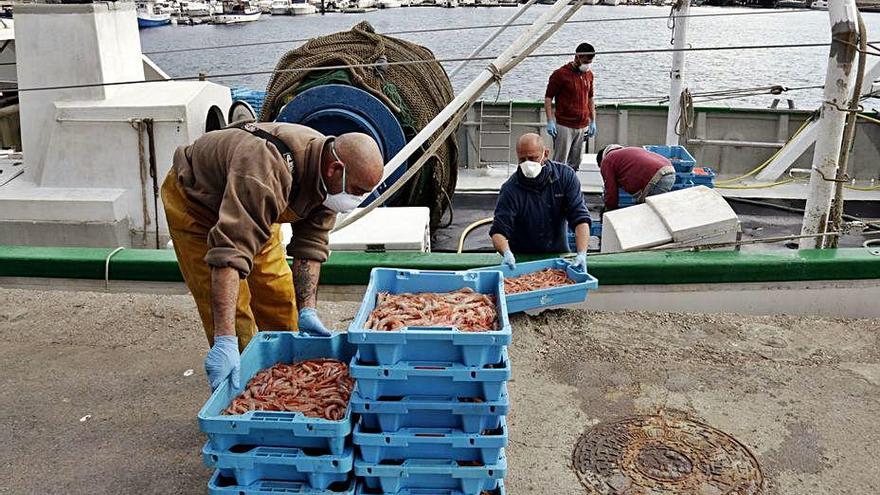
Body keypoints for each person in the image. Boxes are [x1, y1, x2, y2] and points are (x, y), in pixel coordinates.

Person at [161, 121, 383, 391]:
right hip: (198, 203)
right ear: (335, 169)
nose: (356, 199)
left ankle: (287, 380)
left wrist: (307, 309)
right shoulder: (265, 171)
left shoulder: (329, 176)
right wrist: (224, 340)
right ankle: (245, 386)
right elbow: (230, 254)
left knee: (277, 292)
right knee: (236, 311)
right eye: (358, 191)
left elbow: (310, 245)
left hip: (253, 206)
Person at [489, 133, 591, 272]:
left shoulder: (566, 177)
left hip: (558, 254)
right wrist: (507, 253)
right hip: (521, 258)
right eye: (522, 160)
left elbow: (580, 218)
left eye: (533, 158)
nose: (528, 164)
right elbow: (499, 231)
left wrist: (581, 253)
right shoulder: (510, 189)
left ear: (546, 154)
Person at [544, 42, 596, 170]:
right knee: (560, 162)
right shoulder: (560, 74)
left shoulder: (589, 75)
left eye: (589, 62)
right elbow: (548, 97)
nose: (587, 64)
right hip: (564, 125)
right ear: (577, 57)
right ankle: (556, 187)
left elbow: (590, 98)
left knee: (576, 162)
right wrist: (550, 121)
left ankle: (570, 186)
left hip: (582, 125)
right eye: (585, 61)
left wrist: (593, 121)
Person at [597, 144, 676, 212]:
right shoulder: (626, 152)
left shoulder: (607, 160)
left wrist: (609, 211)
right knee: (653, 210)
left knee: (643, 212)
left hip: (656, 176)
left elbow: (610, 190)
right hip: (669, 170)